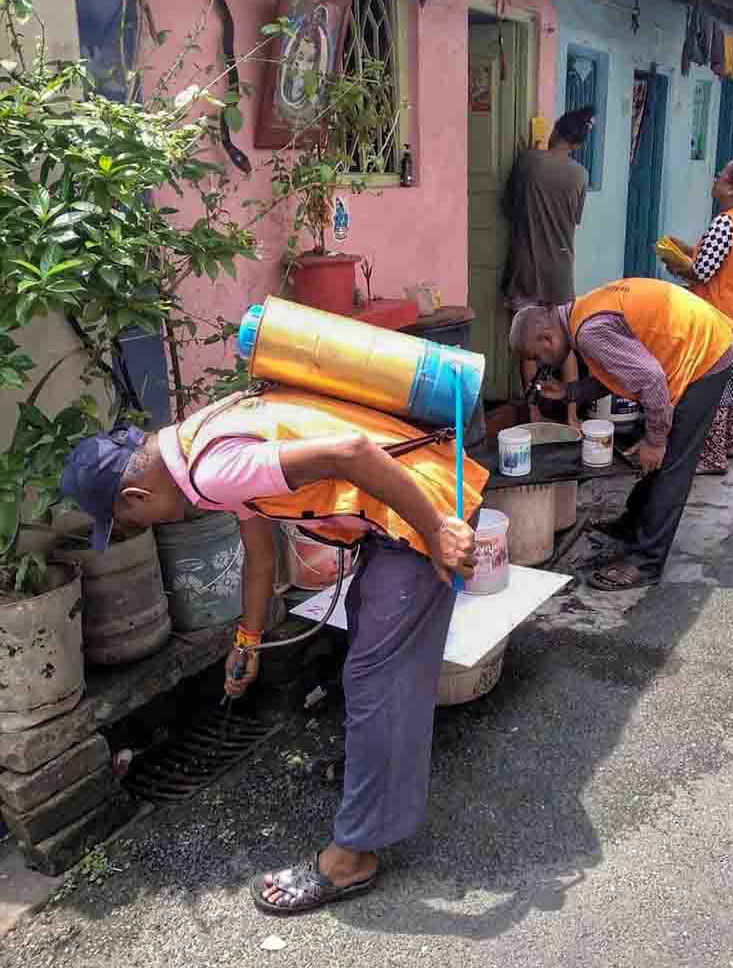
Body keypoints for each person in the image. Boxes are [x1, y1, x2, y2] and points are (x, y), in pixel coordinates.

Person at [60, 383, 486, 916]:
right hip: (405, 506)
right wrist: (249, 640)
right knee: (367, 646)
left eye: (125, 522)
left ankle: (352, 855)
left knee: (379, 682)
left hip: (422, 511)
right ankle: (372, 775)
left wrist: (438, 532)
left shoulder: (212, 471)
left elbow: (349, 451)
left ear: (135, 499)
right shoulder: (197, 441)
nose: (135, 528)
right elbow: (258, 556)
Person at [509, 279, 733, 592]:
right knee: (653, 449)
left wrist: (656, 440)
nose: (542, 364)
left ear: (547, 339)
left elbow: (651, 380)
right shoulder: (580, 315)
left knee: (672, 462)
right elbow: (620, 370)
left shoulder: (589, 332)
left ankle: (647, 561)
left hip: (705, 354)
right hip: (695, 340)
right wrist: (568, 392)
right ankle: (634, 524)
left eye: (538, 357)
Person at [502, 105, 595, 428]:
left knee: (528, 342)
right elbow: (576, 219)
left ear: (554, 131)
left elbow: (508, 206)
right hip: (560, 270)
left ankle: (533, 413)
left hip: (525, 268)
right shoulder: (580, 175)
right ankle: (571, 417)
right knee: (564, 343)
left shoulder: (528, 161)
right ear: (578, 144)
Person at [667, 159, 733, 474]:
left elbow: (702, 272)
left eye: (720, 176)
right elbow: (722, 259)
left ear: (732, 187)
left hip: (718, 321)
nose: (715, 180)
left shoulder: (724, 222)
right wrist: (689, 249)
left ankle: (711, 456)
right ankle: (728, 445)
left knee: (714, 391)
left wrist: (677, 264)